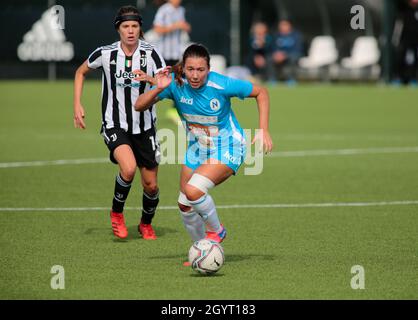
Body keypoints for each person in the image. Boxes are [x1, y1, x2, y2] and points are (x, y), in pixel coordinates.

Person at [134, 44, 273, 263]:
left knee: (193, 189)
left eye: (201, 69)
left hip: (229, 147)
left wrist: (263, 129)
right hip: (197, 149)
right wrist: (159, 87)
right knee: (184, 204)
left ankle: (216, 231)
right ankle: (202, 252)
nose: (195, 75)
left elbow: (261, 92)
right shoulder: (175, 85)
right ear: (184, 69)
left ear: (209, 69)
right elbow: (139, 106)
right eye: (190, 69)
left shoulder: (222, 84)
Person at [73, 5, 166, 240]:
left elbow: (166, 83)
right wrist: (77, 104)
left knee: (151, 186)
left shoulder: (151, 53)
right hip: (115, 124)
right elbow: (80, 72)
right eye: (126, 26)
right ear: (118, 29)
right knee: (128, 168)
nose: (131, 31)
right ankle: (116, 213)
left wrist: (151, 79)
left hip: (145, 127)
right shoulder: (105, 53)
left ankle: (146, 223)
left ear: (140, 28)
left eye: (135, 26)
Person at [153, 0, 191, 124]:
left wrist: (185, 27)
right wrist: (175, 26)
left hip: (177, 53)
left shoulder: (181, 10)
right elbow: (157, 29)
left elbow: (181, 27)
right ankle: (142, 108)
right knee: (155, 83)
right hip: (164, 54)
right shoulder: (164, 10)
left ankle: (174, 110)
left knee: (182, 80)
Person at [271, 19, 303, 84]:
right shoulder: (276, 35)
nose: (282, 27)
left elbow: (298, 49)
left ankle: (291, 79)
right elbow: (273, 47)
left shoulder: (296, 35)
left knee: (293, 58)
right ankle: (272, 79)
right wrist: (276, 54)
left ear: (289, 25)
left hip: (292, 55)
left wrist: (285, 55)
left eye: (285, 25)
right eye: (281, 25)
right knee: (269, 58)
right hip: (279, 56)